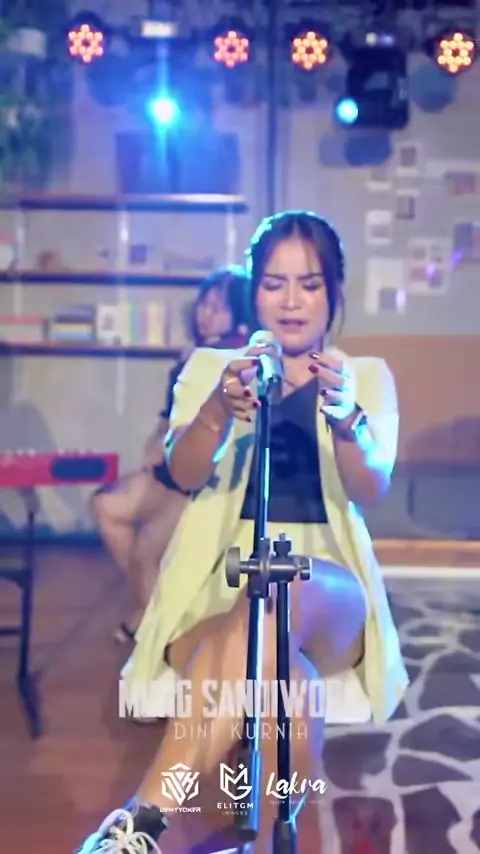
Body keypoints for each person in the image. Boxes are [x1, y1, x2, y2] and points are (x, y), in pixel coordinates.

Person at [75, 211, 409, 854]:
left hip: (329, 592)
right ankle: (262, 839)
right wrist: (217, 410)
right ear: (254, 291)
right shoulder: (213, 368)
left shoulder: (364, 378)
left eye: (309, 284)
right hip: (213, 591)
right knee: (286, 682)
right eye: (274, 283)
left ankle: (140, 824)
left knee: (282, 591)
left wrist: (348, 423)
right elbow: (180, 471)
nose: (291, 301)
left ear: (334, 291)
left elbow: (372, 486)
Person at [89, 266, 249, 643]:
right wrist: (155, 441)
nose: (205, 313)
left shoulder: (236, 360)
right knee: (105, 507)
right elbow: (168, 417)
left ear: (240, 318)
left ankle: (153, 623)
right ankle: (158, 608)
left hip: (205, 475)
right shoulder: (190, 357)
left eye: (218, 308)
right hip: (169, 465)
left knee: (147, 548)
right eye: (204, 304)